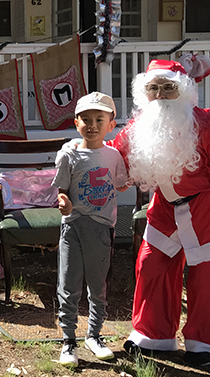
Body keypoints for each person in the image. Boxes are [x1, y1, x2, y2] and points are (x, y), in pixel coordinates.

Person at [108, 60, 210, 367]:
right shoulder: (138, 127)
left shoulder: (209, 124)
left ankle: (206, 343)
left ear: (185, 91)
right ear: (145, 94)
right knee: (151, 266)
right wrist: (88, 158)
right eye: (154, 89)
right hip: (166, 208)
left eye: (169, 88)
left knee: (209, 279)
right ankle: (152, 336)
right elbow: (117, 158)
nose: (161, 95)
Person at [52, 92, 129, 367]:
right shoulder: (68, 155)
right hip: (73, 227)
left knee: (98, 286)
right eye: (86, 119)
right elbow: (61, 191)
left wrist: (130, 180)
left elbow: (119, 184)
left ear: (111, 124)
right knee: (69, 284)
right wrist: (63, 201)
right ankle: (68, 341)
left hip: (102, 228)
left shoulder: (114, 155)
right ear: (76, 123)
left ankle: (94, 336)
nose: (92, 125)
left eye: (99, 119)